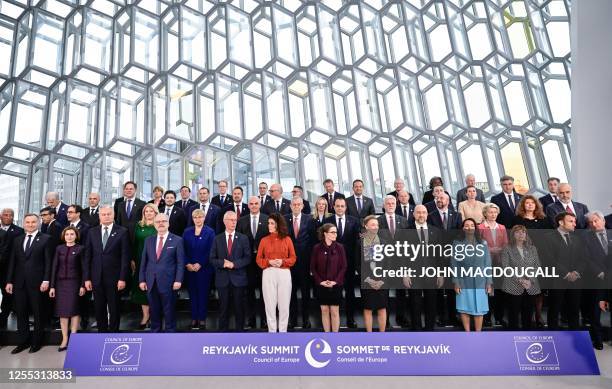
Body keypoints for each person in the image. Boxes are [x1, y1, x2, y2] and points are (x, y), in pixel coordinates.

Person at [5, 214, 52, 354]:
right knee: (21, 313)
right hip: (19, 283)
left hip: (37, 283)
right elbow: (12, 262)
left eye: (33, 222)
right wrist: (9, 281)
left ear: (37, 223)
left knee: (38, 313)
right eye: (27, 222)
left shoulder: (46, 239)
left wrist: (46, 280)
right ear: (24, 224)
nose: (30, 225)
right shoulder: (17, 239)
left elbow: (48, 262)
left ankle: (36, 343)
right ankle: (23, 342)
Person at [86, 205, 131, 332]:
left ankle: (114, 332)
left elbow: (125, 257)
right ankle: (102, 332)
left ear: (113, 215)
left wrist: (122, 278)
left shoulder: (122, 231)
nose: (106, 216)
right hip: (96, 277)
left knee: (114, 307)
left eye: (109, 214)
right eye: (103, 214)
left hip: (115, 278)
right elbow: (87, 257)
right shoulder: (92, 232)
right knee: (99, 307)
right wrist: (87, 278)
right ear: (99, 216)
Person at [139, 213, 185, 332]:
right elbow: (144, 261)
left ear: (168, 223)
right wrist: (142, 280)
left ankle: (170, 334)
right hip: (151, 281)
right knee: (154, 310)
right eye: (158, 222)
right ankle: (155, 333)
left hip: (169, 282)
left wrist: (178, 280)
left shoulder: (177, 240)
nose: (161, 224)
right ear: (154, 224)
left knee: (169, 310)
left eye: (163, 221)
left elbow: (180, 263)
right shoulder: (148, 240)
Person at [512, 194, 550, 328]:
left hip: (542, 256)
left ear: (536, 205)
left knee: (538, 289)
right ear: (523, 205)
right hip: (524, 257)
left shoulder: (543, 219)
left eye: (532, 203)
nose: (529, 205)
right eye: (527, 203)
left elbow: (549, 237)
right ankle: (526, 317)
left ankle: (538, 316)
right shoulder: (517, 219)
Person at [49, 226, 88, 351]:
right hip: (60, 284)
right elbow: (54, 267)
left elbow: (84, 269)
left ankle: (74, 337)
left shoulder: (81, 249)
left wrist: (82, 285)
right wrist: (52, 286)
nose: (69, 236)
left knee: (74, 311)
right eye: (67, 234)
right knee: (63, 312)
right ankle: (64, 338)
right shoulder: (59, 248)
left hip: (74, 283)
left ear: (76, 235)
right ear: (63, 236)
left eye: (72, 234)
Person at [543, 212, 584, 330]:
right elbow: (548, 258)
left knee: (574, 310)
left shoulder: (577, 239)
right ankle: (553, 339)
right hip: (556, 280)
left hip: (575, 280)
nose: (574, 224)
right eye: (571, 221)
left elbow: (583, 258)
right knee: (554, 310)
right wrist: (566, 273)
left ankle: (574, 338)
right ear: (561, 222)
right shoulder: (548, 237)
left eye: (574, 221)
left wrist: (576, 272)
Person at [210, 211, 250, 331]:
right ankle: (223, 334)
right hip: (223, 280)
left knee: (239, 307)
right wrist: (223, 263)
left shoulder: (243, 238)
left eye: (235, 220)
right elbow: (211, 259)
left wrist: (234, 264)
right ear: (224, 221)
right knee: (223, 308)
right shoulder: (217, 239)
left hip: (239, 279)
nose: (233, 222)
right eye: (231, 220)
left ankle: (240, 333)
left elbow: (248, 258)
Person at [406, 205, 445, 330]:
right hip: (413, 274)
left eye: (423, 212)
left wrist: (440, 273)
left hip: (431, 273)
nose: (421, 215)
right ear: (414, 215)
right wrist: (404, 274)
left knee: (431, 303)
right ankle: (416, 329)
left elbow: (440, 255)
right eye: (418, 213)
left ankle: (429, 329)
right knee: (414, 303)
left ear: (427, 214)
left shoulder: (436, 231)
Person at [256, 213, 296, 332]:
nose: (269, 225)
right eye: (268, 223)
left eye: (272, 223)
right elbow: (258, 259)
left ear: (278, 225)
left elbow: (293, 258)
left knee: (284, 305)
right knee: (270, 305)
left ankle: (283, 332)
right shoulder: (264, 240)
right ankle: (272, 332)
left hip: (284, 273)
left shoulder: (287, 239)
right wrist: (269, 262)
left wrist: (282, 262)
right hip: (268, 273)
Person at [324, 197, 360, 328]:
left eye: (342, 206)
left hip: (349, 262)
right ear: (333, 207)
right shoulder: (327, 221)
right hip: (332, 263)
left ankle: (350, 318)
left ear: (346, 207)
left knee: (350, 291)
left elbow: (357, 242)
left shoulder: (354, 221)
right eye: (337, 206)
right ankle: (334, 321)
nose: (340, 208)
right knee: (334, 292)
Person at [452, 218, 493, 332]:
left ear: (475, 228)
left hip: (481, 280)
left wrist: (489, 282)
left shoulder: (483, 243)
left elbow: (488, 264)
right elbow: (454, 264)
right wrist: (456, 282)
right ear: (463, 228)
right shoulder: (457, 243)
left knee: (479, 308)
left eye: (472, 225)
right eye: (466, 225)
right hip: (463, 280)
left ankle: (478, 334)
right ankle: (467, 333)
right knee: (464, 307)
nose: (469, 227)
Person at [501, 225, 541, 330]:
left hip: (531, 285)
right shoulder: (507, 248)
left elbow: (537, 266)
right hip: (513, 285)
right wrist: (520, 279)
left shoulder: (532, 248)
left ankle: (526, 336)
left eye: (523, 232)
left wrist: (530, 280)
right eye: (518, 232)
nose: (521, 234)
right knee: (513, 314)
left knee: (528, 314)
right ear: (513, 235)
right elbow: (506, 267)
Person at [236, 196, 268, 329]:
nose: (254, 205)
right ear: (248, 205)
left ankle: (265, 320)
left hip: (263, 261)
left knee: (264, 291)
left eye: (256, 203)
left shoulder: (267, 219)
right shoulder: (242, 220)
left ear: (260, 204)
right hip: (247, 262)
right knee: (248, 292)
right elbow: (238, 241)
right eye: (251, 203)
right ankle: (251, 320)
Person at [183, 209, 215, 330]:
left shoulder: (210, 232)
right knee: (192, 294)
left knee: (203, 294)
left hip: (204, 269)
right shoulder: (187, 232)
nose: (198, 219)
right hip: (189, 269)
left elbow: (211, 250)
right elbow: (183, 249)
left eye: (200, 217)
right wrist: (187, 264)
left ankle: (201, 318)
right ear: (192, 219)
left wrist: (200, 263)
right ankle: (194, 318)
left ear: (204, 218)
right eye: (195, 217)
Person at [310, 223, 347, 332]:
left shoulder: (340, 247)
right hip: (321, 285)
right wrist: (320, 281)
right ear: (325, 234)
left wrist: (335, 281)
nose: (335, 234)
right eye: (332, 232)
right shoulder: (316, 248)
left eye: (336, 232)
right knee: (324, 310)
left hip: (336, 285)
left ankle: (335, 337)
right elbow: (313, 267)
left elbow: (344, 266)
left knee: (335, 311)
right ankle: (327, 335)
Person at [584, 211, 611, 349]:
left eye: (596, 221)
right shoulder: (587, 238)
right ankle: (598, 339)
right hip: (597, 278)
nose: (594, 225)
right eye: (591, 222)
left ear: (603, 221)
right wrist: (599, 272)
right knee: (595, 311)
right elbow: (586, 258)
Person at [478, 203, 508, 327]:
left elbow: (506, 244)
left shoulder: (502, 227)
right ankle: (487, 318)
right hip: (484, 264)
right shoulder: (479, 227)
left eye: (495, 212)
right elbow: (477, 245)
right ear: (485, 213)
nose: (493, 214)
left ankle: (499, 317)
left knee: (500, 291)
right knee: (487, 291)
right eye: (490, 212)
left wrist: (500, 250)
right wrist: (490, 250)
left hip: (499, 263)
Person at [285, 197, 313, 329]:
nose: (296, 206)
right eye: (294, 204)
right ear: (290, 206)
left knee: (306, 293)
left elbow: (313, 240)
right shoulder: (284, 219)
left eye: (298, 204)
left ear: (302, 206)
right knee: (290, 293)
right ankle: (293, 319)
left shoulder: (309, 219)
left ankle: (306, 319)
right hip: (289, 263)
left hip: (305, 263)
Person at [130, 203, 158, 329]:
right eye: (146, 211)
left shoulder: (159, 226)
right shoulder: (138, 225)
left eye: (151, 211)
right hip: (140, 261)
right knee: (142, 289)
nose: (148, 213)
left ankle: (154, 316)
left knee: (153, 289)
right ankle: (145, 316)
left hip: (154, 262)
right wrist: (133, 260)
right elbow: (134, 244)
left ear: (155, 213)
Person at [361, 215, 389, 332]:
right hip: (366, 280)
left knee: (382, 309)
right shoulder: (360, 243)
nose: (375, 227)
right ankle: (369, 335)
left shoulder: (384, 242)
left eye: (377, 225)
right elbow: (358, 264)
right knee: (368, 309)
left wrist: (382, 279)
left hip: (382, 281)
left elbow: (388, 263)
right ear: (366, 226)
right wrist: (369, 279)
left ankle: (382, 336)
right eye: (372, 225)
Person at [0, 208, 24, 329]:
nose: (8, 217)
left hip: (9, 269)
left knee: (7, 294)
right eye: (5, 215)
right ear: (0, 216)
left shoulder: (19, 231)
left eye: (10, 215)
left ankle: (3, 318)